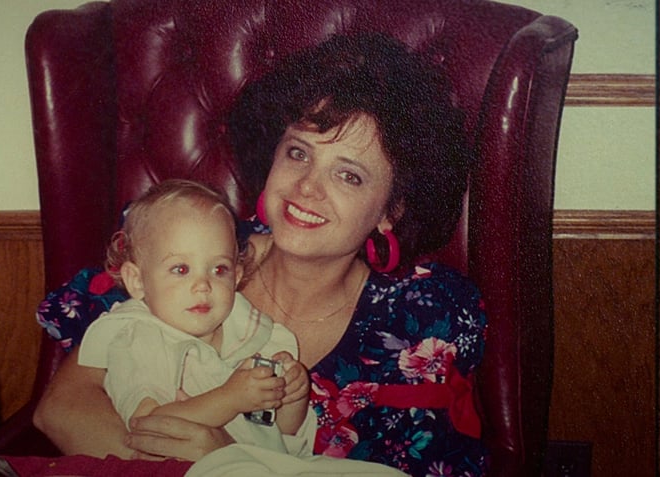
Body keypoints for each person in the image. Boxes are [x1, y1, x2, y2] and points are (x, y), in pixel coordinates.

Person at [34, 32, 488, 477]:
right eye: (298, 152)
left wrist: (229, 457)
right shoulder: (191, 253)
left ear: (392, 209)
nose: (307, 187)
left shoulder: (424, 317)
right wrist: (182, 467)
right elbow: (61, 408)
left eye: (348, 176)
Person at [74, 179, 312, 455]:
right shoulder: (139, 339)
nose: (203, 285)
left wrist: (292, 396)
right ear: (137, 281)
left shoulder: (254, 333)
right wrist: (231, 398)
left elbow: (281, 435)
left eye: (218, 270)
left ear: (236, 276)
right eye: (181, 269)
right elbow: (148, 426)